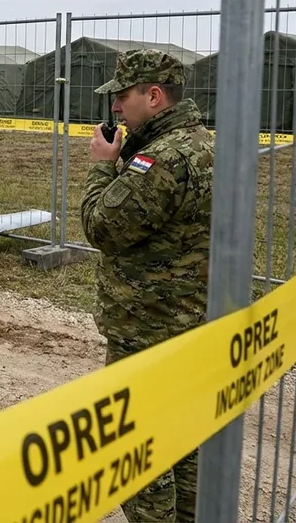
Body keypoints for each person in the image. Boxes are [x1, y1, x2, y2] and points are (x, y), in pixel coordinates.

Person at [80, 48, 214, 523]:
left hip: (149, 326)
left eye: (122, 96)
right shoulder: (201, 143)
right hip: (191, 318)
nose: (115, 106)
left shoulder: (162, 159)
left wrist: (102, 164)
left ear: (153, 96)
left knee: (139, 445)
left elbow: (102, 225)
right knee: (183, 436)